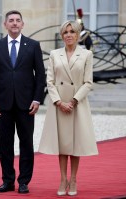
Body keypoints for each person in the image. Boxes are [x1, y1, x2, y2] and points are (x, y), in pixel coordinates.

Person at [38, 20, 98, 196]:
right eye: (65, 32)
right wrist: (58, 102)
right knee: (63, 144)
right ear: (62, 35)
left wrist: (73, 101)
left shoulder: (86, 54)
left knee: (75, 144)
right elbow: (49, 81)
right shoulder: (55, 54)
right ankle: (62, 178)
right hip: (59, 104)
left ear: (78, 35)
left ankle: (73, 179)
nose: (69, 35)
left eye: (72, 31)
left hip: (77, 104)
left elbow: (88, 82)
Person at [0, 10, 46, 194]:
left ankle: (23, 181)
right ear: (5, 24)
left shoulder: (33, 45)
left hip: (26, 104)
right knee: (5, 144)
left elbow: (41, 75)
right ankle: (7, 181)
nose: (14, 23)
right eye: (11, 21)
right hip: (3, 104)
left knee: (26, 143)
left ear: (22, 24)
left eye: (17, 20)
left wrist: (37, 99)